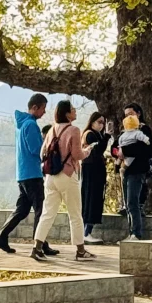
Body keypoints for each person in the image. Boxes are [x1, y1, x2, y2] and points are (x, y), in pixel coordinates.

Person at [0, 93, 59, 256]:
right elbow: (36, 150)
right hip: (33, 173)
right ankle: (40, 244)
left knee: (22, 209)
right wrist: (49, 147)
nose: (44, 112)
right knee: (40, 210)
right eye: (43, 108)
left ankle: (1, 236)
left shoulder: (21, 125)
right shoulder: (31, 125)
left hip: (23, 173)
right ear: (35, 107)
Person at [31, 100, 94, 261]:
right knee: (75, 214)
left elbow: (42, 153)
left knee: (47, 213)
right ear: (67, 114)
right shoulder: (74, 130)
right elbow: (77, 155)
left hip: (50, 177)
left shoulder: (52, 129)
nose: (75, 111)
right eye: (73, 109)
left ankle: (37, 248)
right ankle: (80, 251)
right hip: (67, 174)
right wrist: (87, 151)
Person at [117, 110, 152, 240]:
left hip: (137, 170)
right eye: (126, 115)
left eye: (131, 114)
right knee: (128, 203)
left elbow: (144, 149)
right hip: (126, 170)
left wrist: (124, 150)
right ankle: (131, 231)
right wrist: (119, 152)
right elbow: (116, 147)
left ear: (138, 114)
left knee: (133, 201)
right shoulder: (123, 133)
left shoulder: (143, 131)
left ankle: (136, 233)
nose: (129, 117)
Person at [80, 111, 111, 241]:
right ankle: (85, 232)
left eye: (103, 123)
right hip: (91, 170)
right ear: (92, 122)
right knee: (91, 199)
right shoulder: (90, 134)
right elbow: (98, 150)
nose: (101, 125)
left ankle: (86, 231)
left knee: (94, 199)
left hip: (95, 169)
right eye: (99, 122)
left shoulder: (96, 134)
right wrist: (107, 136)